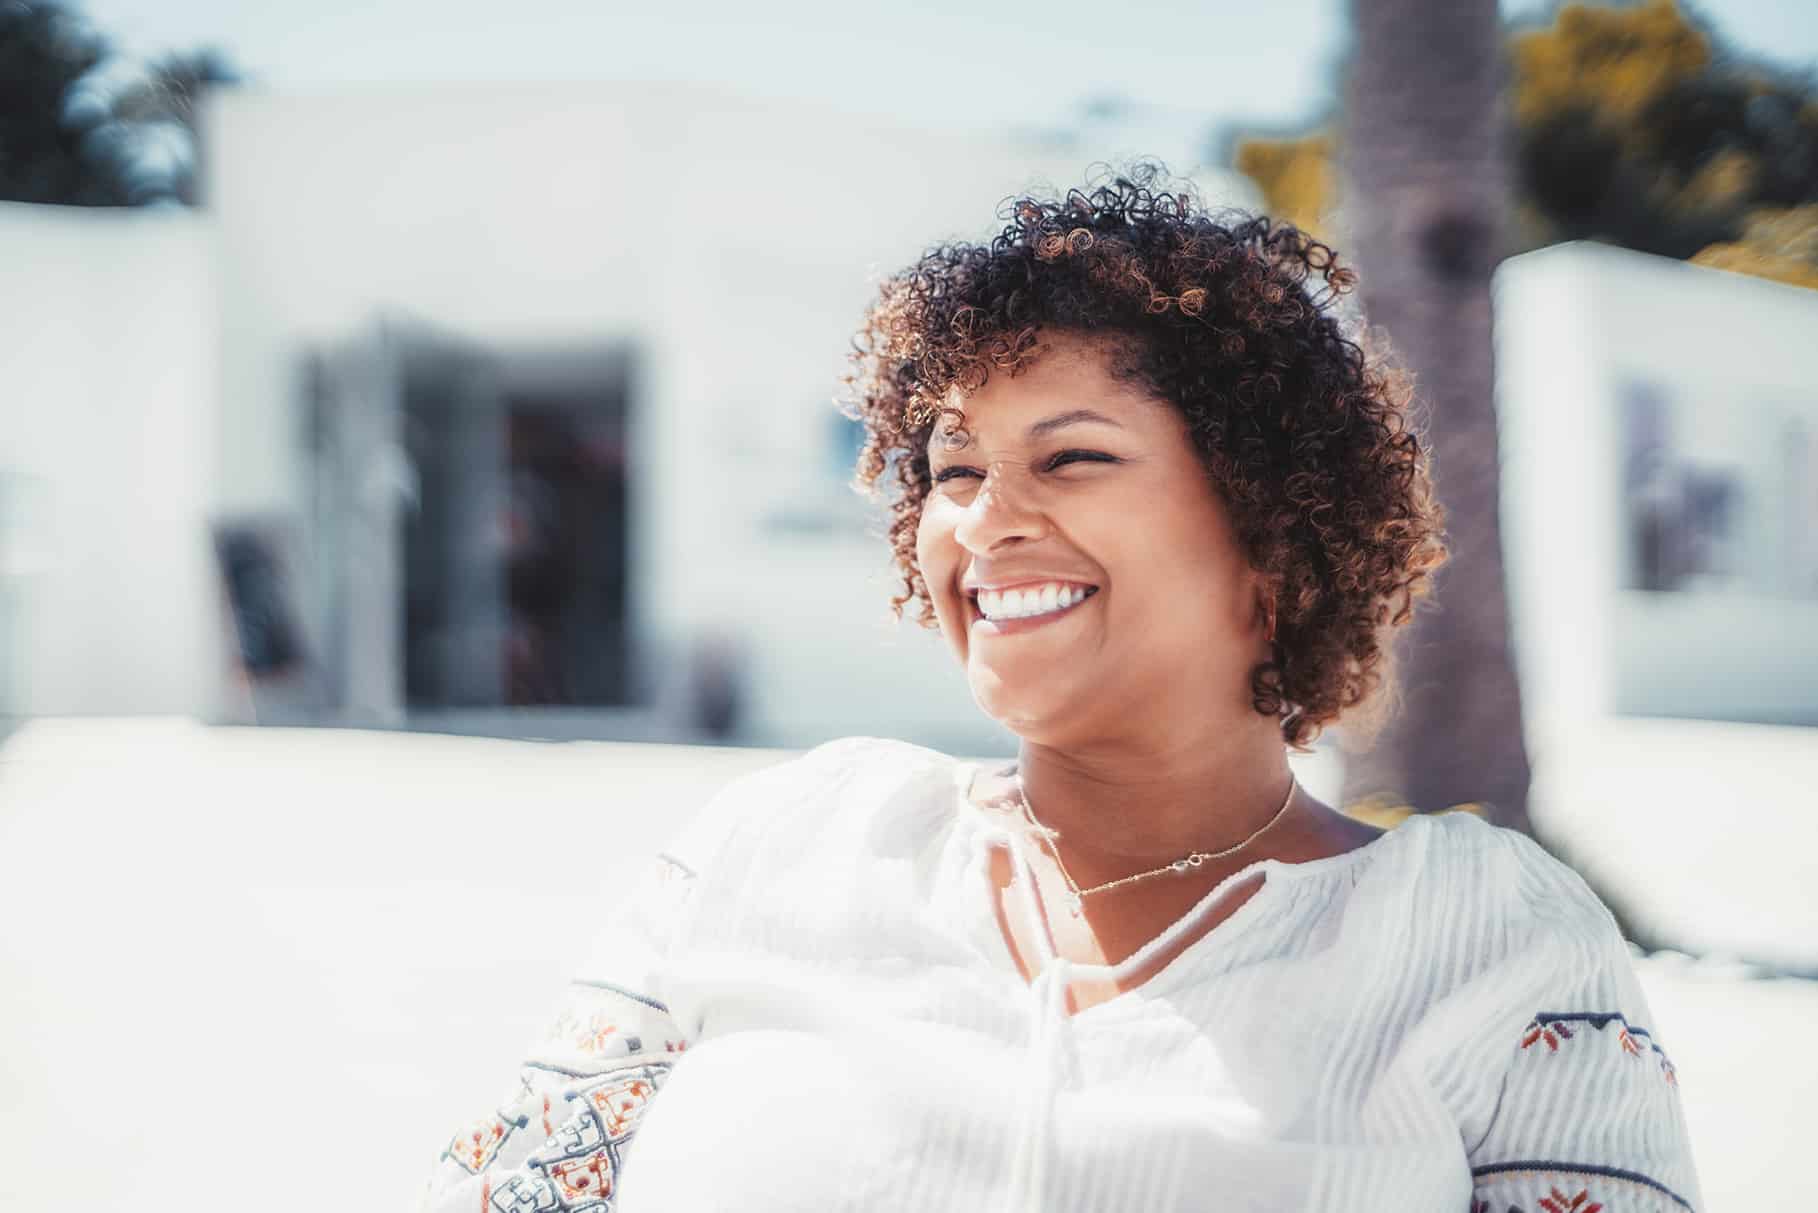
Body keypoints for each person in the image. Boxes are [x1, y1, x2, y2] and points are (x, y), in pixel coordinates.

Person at [417, 168, 1703, 1212]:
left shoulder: (1488, 942)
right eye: (954, 469)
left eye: (1072, 456)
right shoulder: (781, 846)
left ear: (1273, 536)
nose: (984, 521)